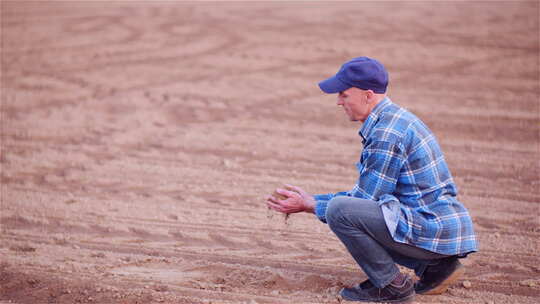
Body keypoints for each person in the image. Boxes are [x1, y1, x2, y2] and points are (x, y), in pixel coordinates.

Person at [266, 57, 478, 303]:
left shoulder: (386, 134)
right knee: (351, 211)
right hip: (438, 226)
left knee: (340, 212)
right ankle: (437, 269)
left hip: (433, 228)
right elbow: (368, 201)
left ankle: (391, 285)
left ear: (367, 95)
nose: (338, 101)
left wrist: (312, 205)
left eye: (344, 94)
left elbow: (362, 202)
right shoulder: (395, 119)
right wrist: (312, 201)